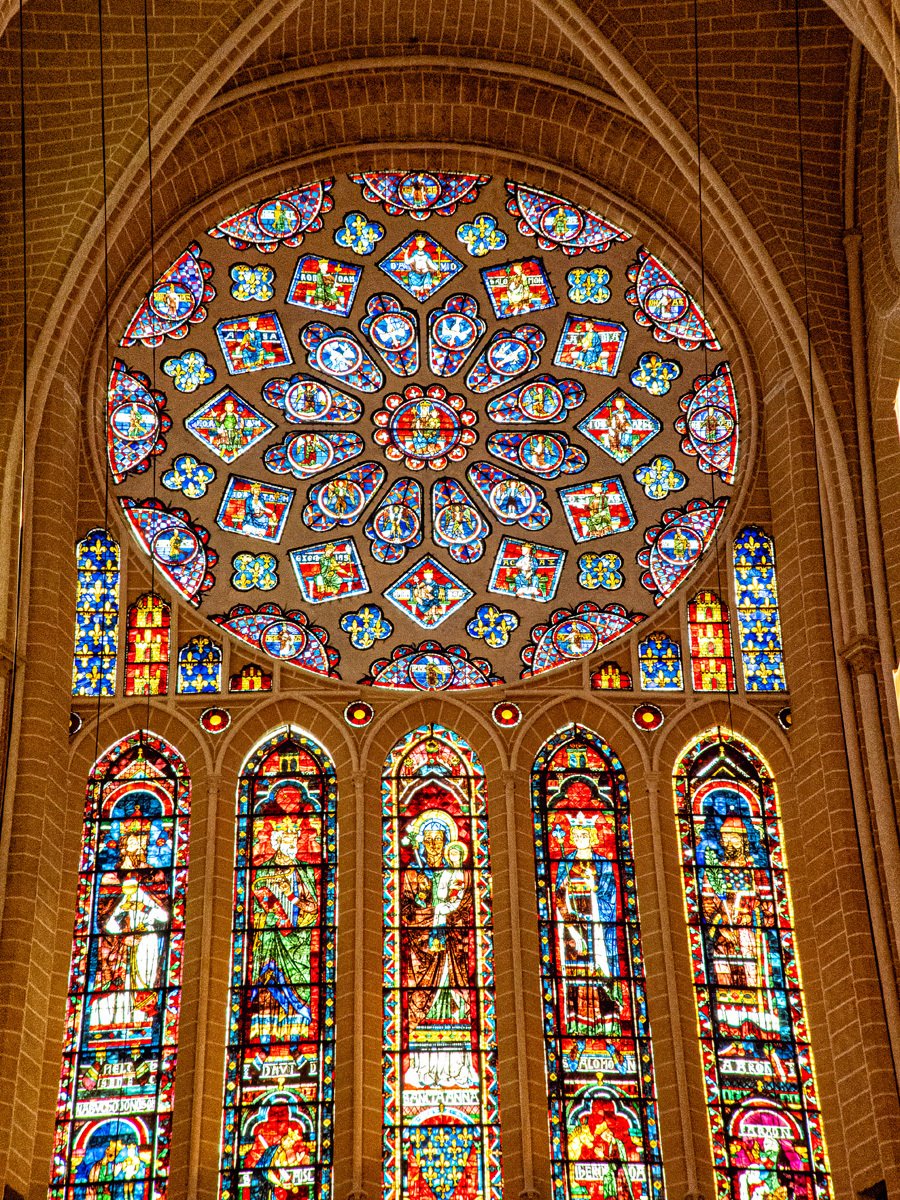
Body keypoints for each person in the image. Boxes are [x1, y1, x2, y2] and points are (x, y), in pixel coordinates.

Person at [400, 812, 477, 1089]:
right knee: (423, 1003)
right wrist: (433, 912)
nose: (433, 844)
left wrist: (449, 914)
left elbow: (466, 907)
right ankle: (422, 1069)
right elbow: (406, 912)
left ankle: (458, 1069)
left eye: (439, 839)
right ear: (421, 843)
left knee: (454, 1003)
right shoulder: (412, 874)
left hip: (452, 950)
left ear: (447, 843)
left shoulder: (456, 874)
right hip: (422, 954)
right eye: (429, 839)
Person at [249, 819, 318, 1047]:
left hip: (296, 944)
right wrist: (269, 918)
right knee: (268, 990)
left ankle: (295, 1045)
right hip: (270, 940)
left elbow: (313, 908)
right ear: (277, 843)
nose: (293, 847)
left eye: (295, 842)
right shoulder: (264, 872)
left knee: (295, 991)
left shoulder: (303, 871)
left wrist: (292, 897)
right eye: (288, 842)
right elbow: (256, 909)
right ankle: (264, 1046)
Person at [553, 812, 621, 1032]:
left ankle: (606, 1025)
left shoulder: (603, 863)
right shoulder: (565, 863)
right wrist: (570, 922)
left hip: (597, 926)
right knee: (577, 974)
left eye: (584, 835)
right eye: (577, 835)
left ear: (592, 837)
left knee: (599, 971)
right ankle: (578, 1024)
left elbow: (610, 895)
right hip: (573, 929)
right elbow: (559, 896)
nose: (580, 839)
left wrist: (595, 886)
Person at [90, 877, 169, 1030]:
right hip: (129, 941)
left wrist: (143, 908)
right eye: (127, 890)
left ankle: (144, 1012)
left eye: (131, 889)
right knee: (129, 977)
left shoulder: (148, 898)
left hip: (148, 939)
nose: (129, 893)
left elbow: (164, 917)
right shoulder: (125, 902)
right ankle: (130, 1012)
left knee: (146, 975)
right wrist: (122, 936)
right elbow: (110, 925)